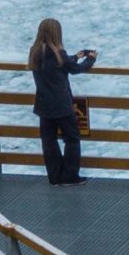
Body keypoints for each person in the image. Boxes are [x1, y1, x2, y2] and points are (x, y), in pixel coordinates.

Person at [29, 18, 97, 185]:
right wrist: (90, 59)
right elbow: (74, 69)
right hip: (61, 104)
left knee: (49, 140)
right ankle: (70, 176)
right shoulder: (59, 53)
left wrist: (75, 56)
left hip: (43, 105)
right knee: (71, 139)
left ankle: (54, 176)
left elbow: (61, 65)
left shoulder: (35, 52)